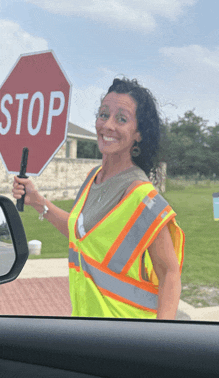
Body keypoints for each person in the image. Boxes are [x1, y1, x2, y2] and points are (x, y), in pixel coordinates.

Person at [12, 77, 184, 320]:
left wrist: (160, 342)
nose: (108, 125)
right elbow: (81, 235)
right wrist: (38, 201)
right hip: (87, 329)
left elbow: (170, 274)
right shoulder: (93, 178)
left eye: (121, 119)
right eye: (104, 115)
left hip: (129, 340)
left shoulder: (143, 197)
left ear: (139, 135)